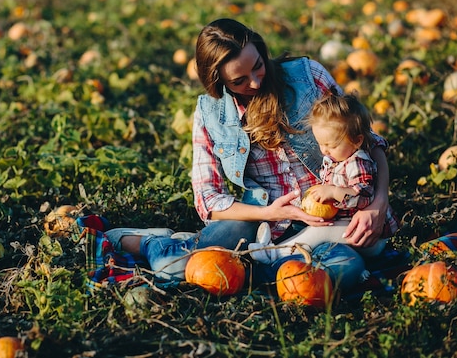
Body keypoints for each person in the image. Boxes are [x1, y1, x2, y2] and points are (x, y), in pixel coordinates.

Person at [105, 18, 399, 291]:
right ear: (218, 81)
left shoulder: (307, 76)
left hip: (329, 219)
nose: (256, 83)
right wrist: (271, 213)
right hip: (260, 222)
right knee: (171, 269)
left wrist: (378, 201)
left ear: (261, 50)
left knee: (345, 268)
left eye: (258, 66)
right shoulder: (210, 113)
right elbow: (208, 200)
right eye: (239, 80)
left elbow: (369, 142)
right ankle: (154, 245)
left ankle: (257, 265)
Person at [249, 93, 397, 264]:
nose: (325, 151)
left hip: (368, 235)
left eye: (331, 145)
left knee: (319, 233)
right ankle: (279, 252)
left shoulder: (358, 162)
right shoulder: (337, 157)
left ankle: (272, 254)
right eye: (321, 143)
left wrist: (334, 191)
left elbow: (363, 196)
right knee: (315, 232)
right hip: (348, 226)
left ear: (357, 141)